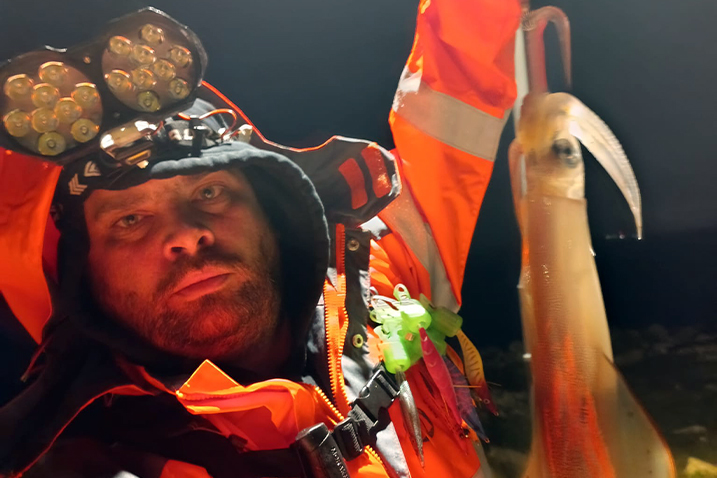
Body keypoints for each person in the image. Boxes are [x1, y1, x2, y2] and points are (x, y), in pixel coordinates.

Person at [0, 0, 521, 477]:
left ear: (271, 209)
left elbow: (463, 71)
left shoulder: (391, 265)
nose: (186, 234)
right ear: (81, 274)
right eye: (130, 220)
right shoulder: (80, 461)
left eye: (209, 192)